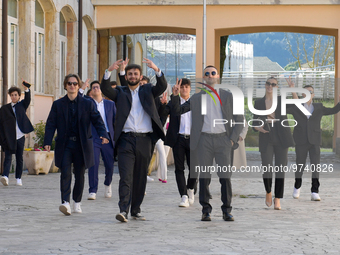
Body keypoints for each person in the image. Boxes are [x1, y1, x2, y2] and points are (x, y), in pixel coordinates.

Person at [172, 66, 244, 221]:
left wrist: (232, 139)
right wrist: (175, 96)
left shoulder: (228, 96)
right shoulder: (197, 98)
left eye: (213, 72)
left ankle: (227, 210)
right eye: (207, 73)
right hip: (204, 140)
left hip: (223, 140)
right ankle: (206, 210)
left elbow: (240, 119)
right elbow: (179, 110)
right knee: (204, 177)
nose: (210, 75)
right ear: (203, 78)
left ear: (218, 76)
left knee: (225, 177)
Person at [100, 58, 167, 222]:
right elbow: (106, 89)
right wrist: (108, 71)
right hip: (126, 140)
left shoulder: (148, 90)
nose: (132, 76)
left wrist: (156, 69)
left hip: (145, 140)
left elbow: (162, 86)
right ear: (127, 76)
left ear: (140, 76)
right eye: (129, 74)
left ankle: (136, 209)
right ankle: (123, 209)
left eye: (135, 74)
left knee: (140, 177)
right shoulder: (120, 93)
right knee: (126, 176)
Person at [44, 74, 109, 216]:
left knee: (79, 175)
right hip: (65, 144)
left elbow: (97, 120)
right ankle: (65, 202)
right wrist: (47, 142)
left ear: (78, 86)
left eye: (74, 83)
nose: (72, 86)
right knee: (65, 173)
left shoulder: (88, 103)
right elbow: (51, 124)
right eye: (69, 83)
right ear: (65, 86)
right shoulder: (58, 104)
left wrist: (103, 134)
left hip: (82, 145)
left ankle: (77, 202)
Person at [286, 79, 340, 201]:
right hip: (301, 141)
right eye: (305, 92)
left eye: (310, 92)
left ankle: (315, 191)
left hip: (315, 141)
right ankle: (297, 186)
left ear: (313, 94)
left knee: (315, 166)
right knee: (300, 165)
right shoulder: (297, 107)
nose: (308, 93)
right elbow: (282, 109)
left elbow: (333, 110)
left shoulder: (319, 107)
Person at [253, 77, 295, 210]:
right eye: (268, 83)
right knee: (267, 168)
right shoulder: (258, 103)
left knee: (280, 169)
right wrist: (257, 128)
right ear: (265, 85)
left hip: (281, 135)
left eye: (273, 84)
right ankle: (268, 192)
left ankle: (277, 198)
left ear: (277, 87)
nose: (270, 86)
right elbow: (254, 122)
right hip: (266, 135)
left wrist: (293, 90)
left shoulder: (281, 101)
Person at [160, 78, 197, 207]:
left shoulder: (196, 102)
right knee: (179, 169)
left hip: (193, 139)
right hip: (178, 139)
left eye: (186, 87)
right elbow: (163, 114)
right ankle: (183, 195)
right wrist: (164, 104)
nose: (184, 89)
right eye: (182, 87)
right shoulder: (173, 102)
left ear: (190, 88)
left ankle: (191, 188)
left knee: (194, 169)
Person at [80, 80, 116, 201]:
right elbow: (77, 100)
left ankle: (108, 184)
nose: (96, 88)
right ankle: (92, 190)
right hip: (94, 137)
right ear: (90, 91)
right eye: (93, 87)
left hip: (108, 137)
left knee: (109, 165)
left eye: (98, 87)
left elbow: (115, 121)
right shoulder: (88, 103)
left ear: (101, 90)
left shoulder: (110, 104)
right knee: (93, 164)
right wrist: (82, 88)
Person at [0, 80, 34, 186]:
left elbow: (28, 99)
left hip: (20, 136)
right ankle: (5, 176)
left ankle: (18, 178)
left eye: (16, 95)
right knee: (8, 157)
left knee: (19, 157)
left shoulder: (22, 105)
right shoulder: (4, 109)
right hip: (9, 137)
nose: (14, 97)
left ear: (19, 96)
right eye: (12, 95)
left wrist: (26, 89)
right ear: (10, 96)